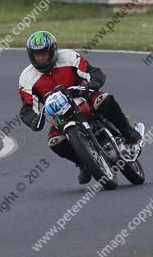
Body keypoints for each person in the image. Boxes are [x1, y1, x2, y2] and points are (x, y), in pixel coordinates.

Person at [18, 31, 142, 184]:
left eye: (44, 53)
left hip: (84, 97)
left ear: (52, 51)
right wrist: (34, 120)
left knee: (104, 99)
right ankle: (83, 163)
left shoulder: (69, 57)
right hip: (60, 115)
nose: (41, 57)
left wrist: (91, 84)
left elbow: (94, 72)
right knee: (54, 141)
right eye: (37, 55)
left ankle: (127, 130)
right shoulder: (26, 78)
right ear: (31, 55)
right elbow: (26, 108)